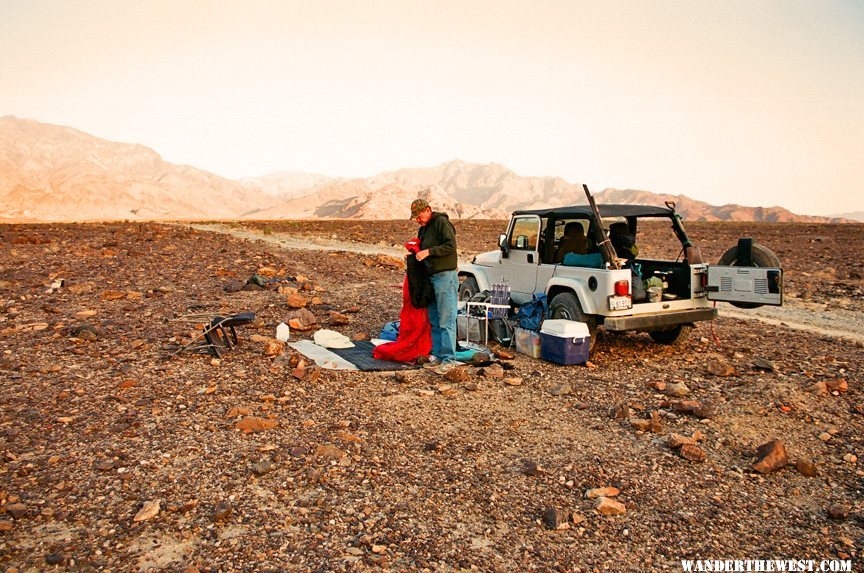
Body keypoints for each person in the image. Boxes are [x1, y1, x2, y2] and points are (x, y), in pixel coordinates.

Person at [410, 198, 459, 374]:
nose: (417, 219)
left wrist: (429, 252)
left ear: (428, 210)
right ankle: (438, 356)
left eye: (419, 215)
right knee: (435, 319)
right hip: (431, 278)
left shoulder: (441, 223)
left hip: (445, 276)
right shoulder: (423, 229)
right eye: (415, 217)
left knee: (447, 319)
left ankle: (449, 359)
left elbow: (450, 246)